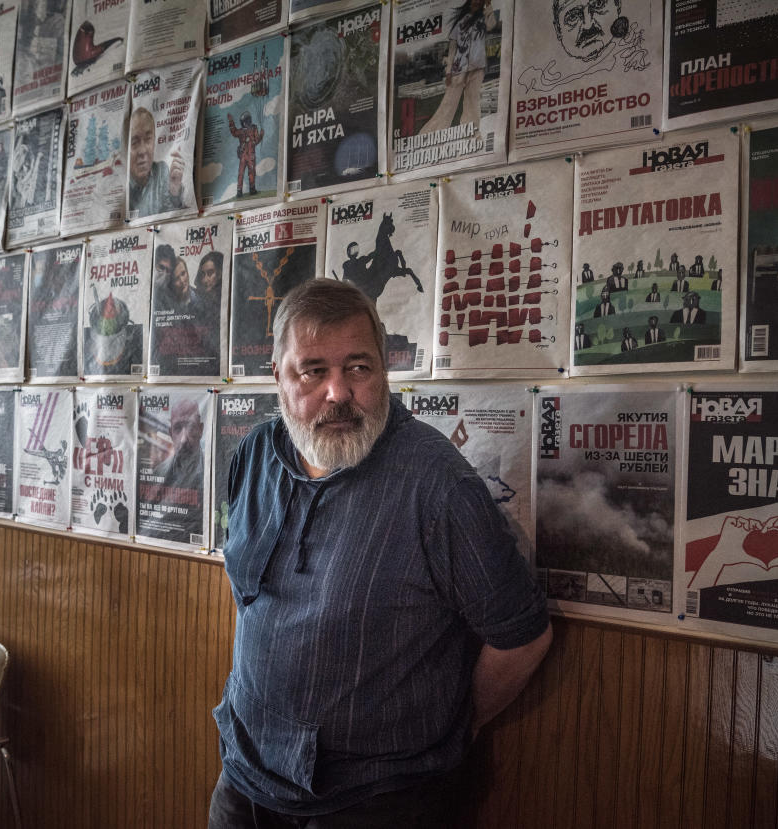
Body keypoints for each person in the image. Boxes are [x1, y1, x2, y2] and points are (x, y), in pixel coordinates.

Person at [210, 279, 551, 827]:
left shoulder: (437, 486)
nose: (339, 392)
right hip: (245, 777)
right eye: (314, 370)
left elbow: (522, 637)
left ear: (385, 371)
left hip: (380, 800)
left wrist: (459, 724)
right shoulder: (253, 454)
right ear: (278, 376)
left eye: (358, 368)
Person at [419, 0, 500, 141]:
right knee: (449, 103)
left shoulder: (483, 19)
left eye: (481, 0)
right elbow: (452, 48)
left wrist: (489, 6)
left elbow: (491, 25)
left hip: (477, 68)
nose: (477, 2)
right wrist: (449, 71)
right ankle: (431, 135)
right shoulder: (460, 22)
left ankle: (471, 135)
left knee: (472, 102)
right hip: (458, 69)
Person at [129, 107, 186, 215]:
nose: (142, 151)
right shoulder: (122, 183)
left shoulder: (161, 171)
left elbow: (171, 219)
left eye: (148, 139)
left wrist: (174, 193)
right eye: (134, 142)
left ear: (154, 141)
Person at [227, 112, 263, 197]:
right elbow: (234, 132)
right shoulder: (242, 131)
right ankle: (240, 191)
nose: (246, 123)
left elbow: (256, 140)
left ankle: (252, 189)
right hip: (244, 156)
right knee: (241, 173)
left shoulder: (254, 129)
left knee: (251, 173)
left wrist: (260, 136)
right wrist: (231, 121)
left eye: (247, 121)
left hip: (250, 155)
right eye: (245, 121)